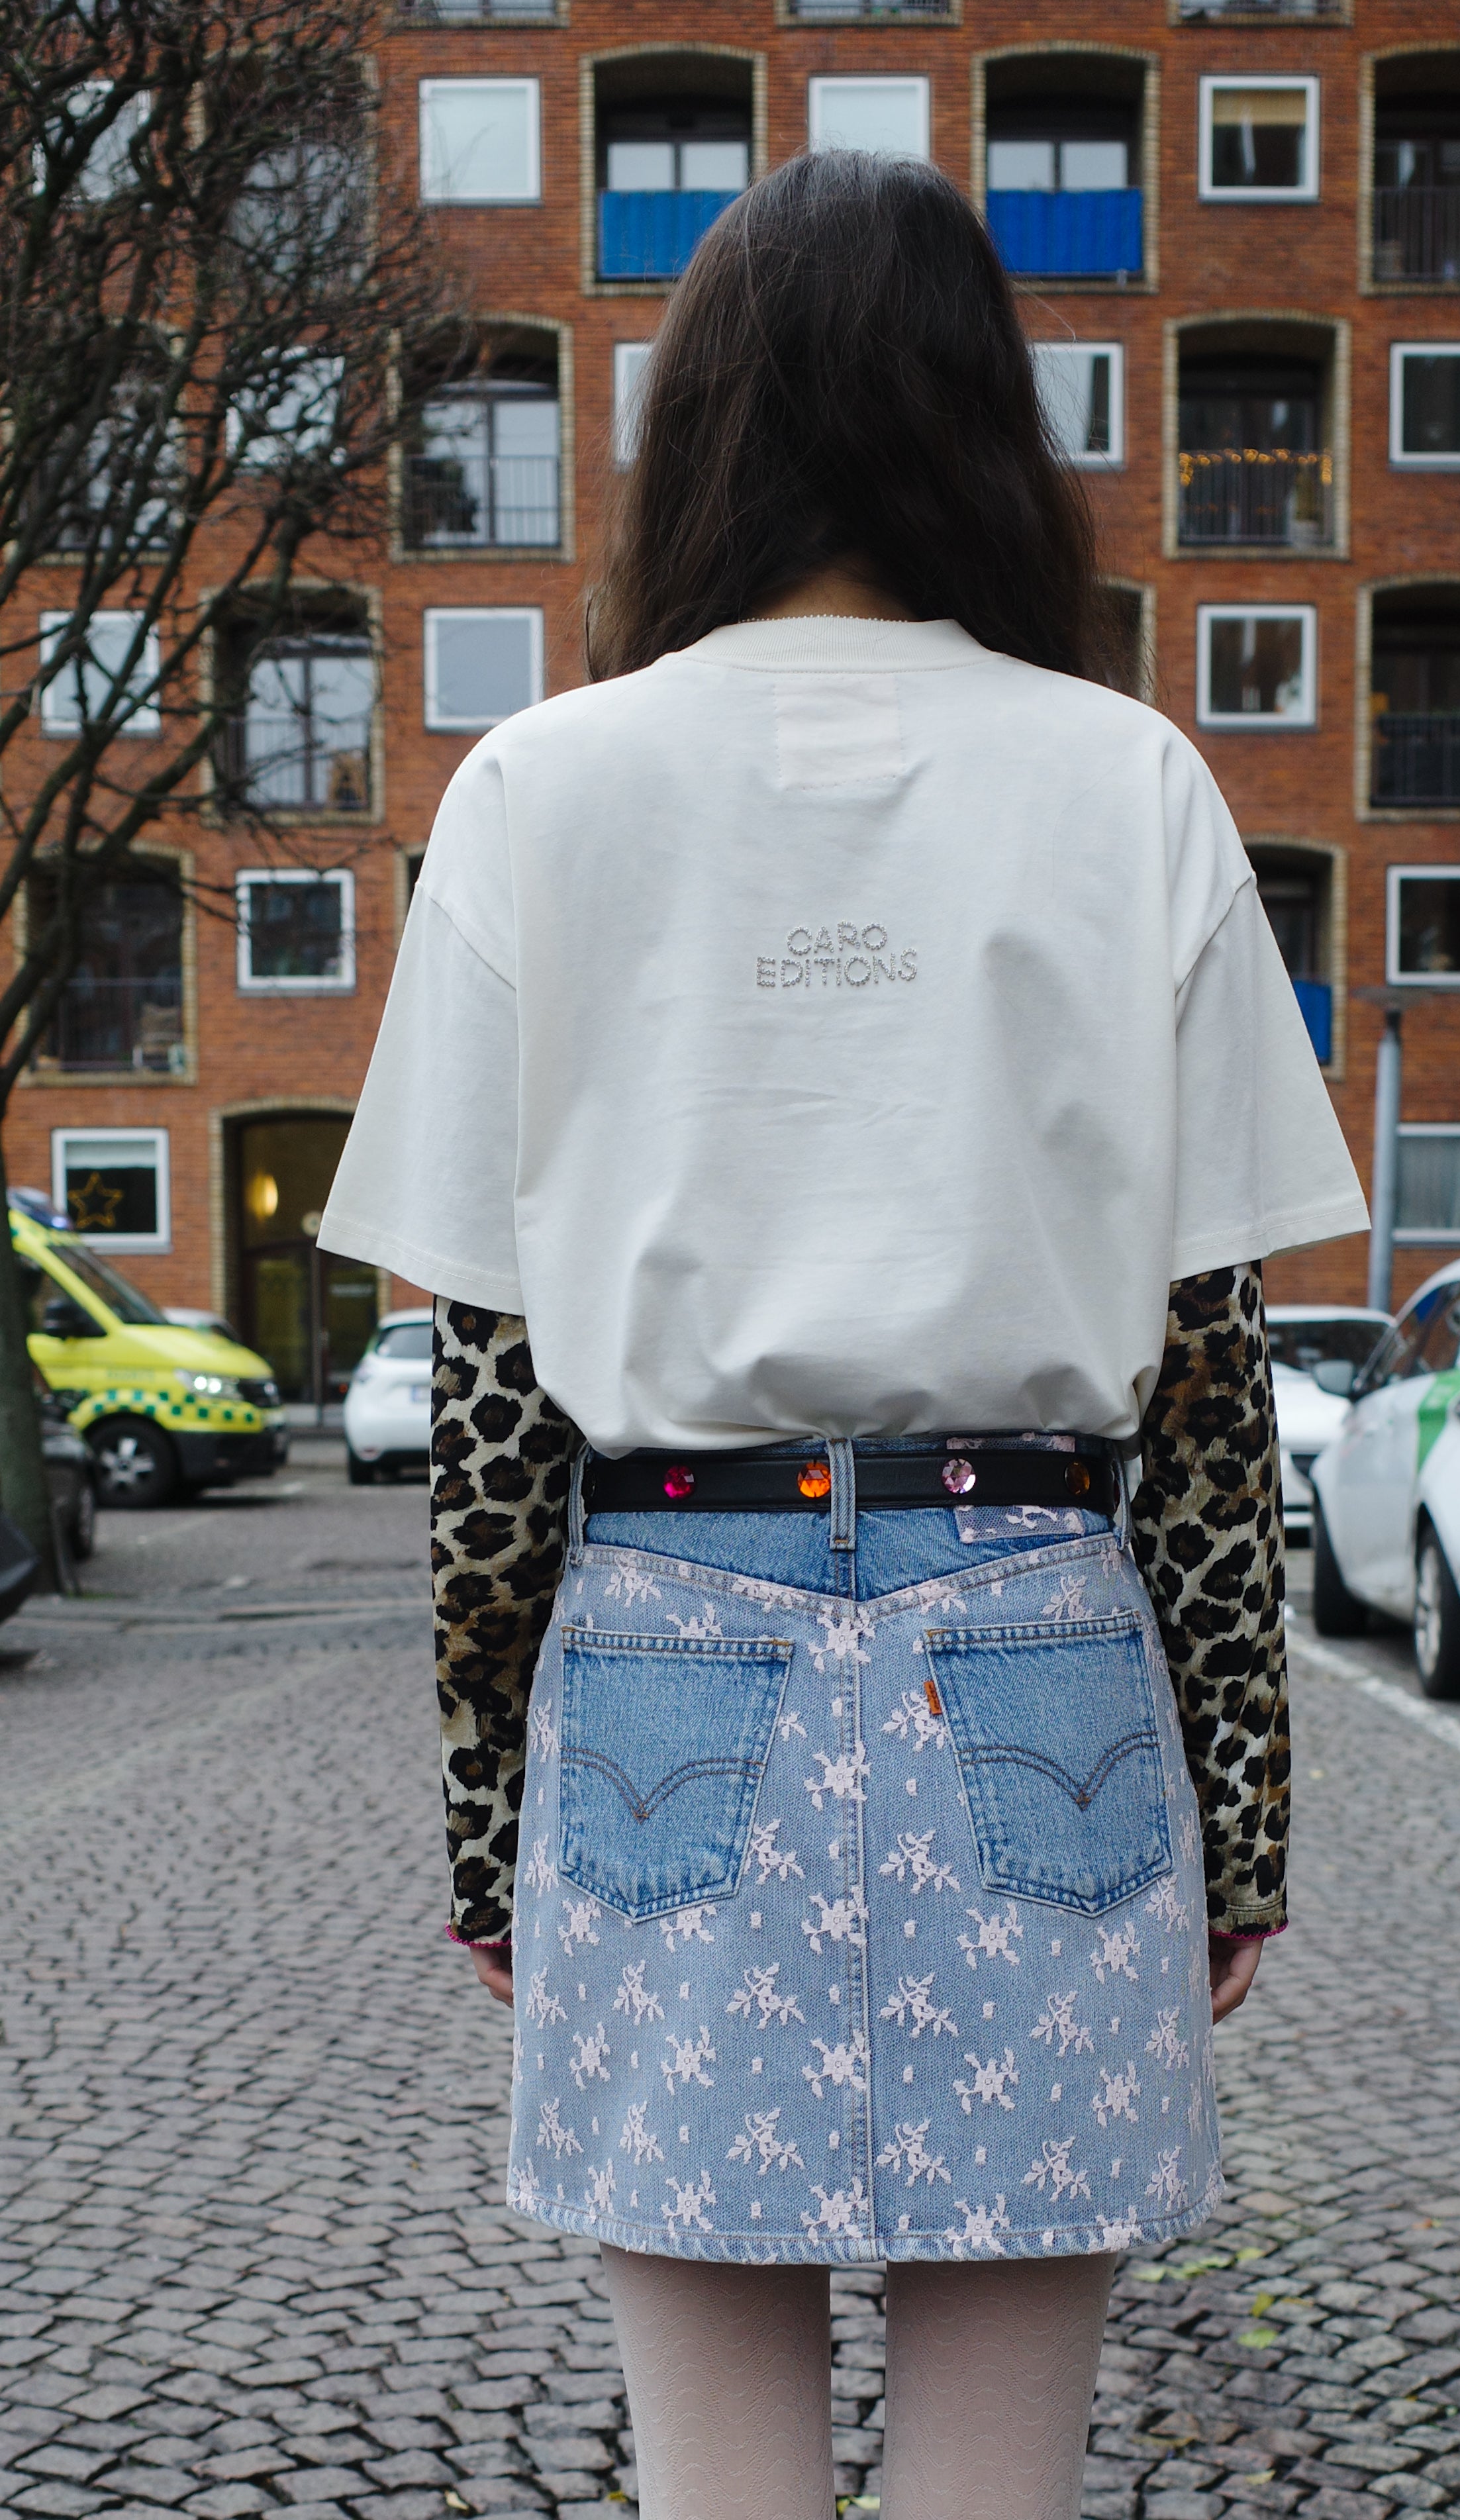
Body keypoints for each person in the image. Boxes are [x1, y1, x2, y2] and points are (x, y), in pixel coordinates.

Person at [320, 148, 1366, 2520]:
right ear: (989, 429)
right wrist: (1245, 1829)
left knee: (715, 2477)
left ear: (695, 433)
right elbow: (1209, 1404)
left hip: (667, 1642)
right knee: (1003, 2474)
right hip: (1045, 1649)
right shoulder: (1135, 788)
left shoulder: (535, 792)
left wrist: (491, 1826)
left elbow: (494, 1417)